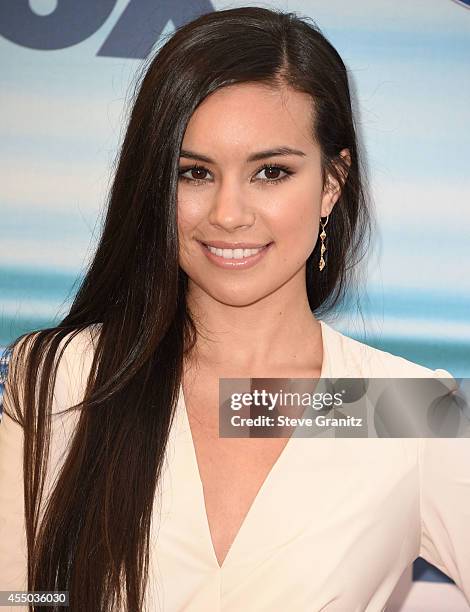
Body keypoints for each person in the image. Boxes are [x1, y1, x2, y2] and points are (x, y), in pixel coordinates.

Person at [0, 6, 469, 612]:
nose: (228, 213)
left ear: (332, 182)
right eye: (194, 173)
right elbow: (15, 593)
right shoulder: (63, 376)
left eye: (271, 172)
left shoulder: (396, 407)